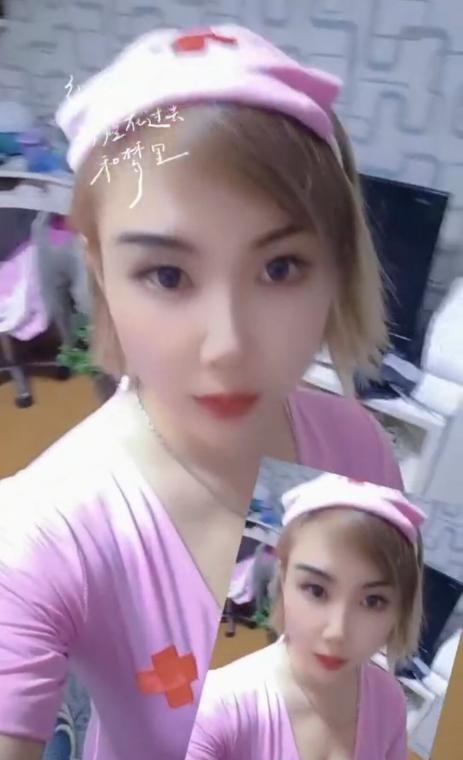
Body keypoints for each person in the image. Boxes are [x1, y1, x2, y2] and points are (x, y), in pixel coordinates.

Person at [0, 24, 402, 760]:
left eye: (280, 268)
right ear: (101, 270)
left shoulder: (358, 446)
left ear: (335, 266)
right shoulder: (37, 532)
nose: (227, 346)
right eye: (167, 275)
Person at [187, 473, 425, 760]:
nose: (337, 632)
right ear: (284, 578)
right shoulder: (214, 711)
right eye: (316, 590)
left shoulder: (389, 700)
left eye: (373, 601)